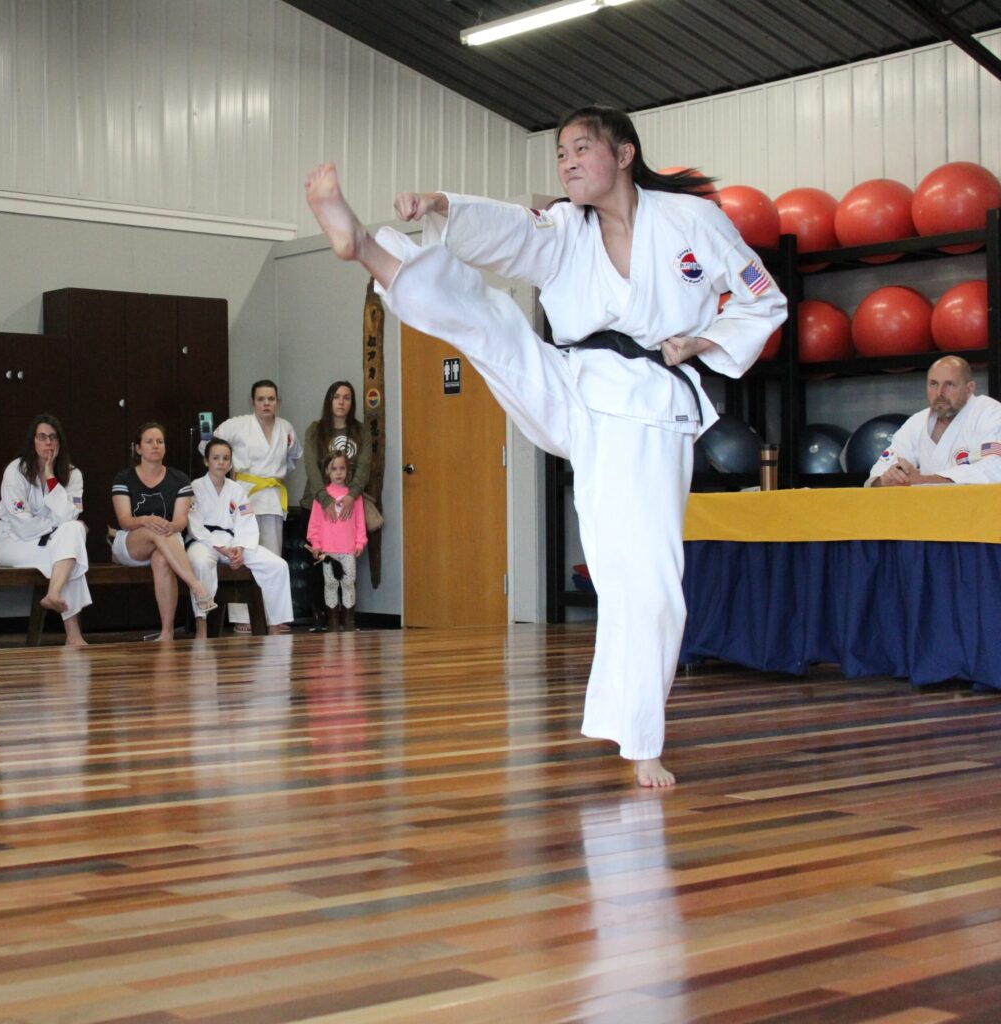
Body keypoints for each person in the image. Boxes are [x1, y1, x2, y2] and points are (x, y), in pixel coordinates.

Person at [304, 104, 786, 787]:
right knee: (490, 325)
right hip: (574, 382)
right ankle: (370, 250)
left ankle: (640, 740)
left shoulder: (693, 221)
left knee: (643, 578)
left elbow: (764, 301)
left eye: (581, 149)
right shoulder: (566, 228)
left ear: (624, 153)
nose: (567, 163)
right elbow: (510, 232)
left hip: (649, 407)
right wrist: (444, 205)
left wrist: (703, 340)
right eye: (560, 153)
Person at [209, 380, 302, 632]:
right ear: (252, 402)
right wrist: (225, 470)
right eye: (261, 399)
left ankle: (274, 617)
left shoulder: (286, 428)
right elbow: (209, 445)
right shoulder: (237, 425)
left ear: (278, 401)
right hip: (244, 496)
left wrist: (274, 475)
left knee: (272, 557)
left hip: (272, 497)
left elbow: (294, 457)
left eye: (271, 399)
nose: (266, 404)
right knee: (242, 553)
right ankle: (243, 617)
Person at [111, 422, 216, 641]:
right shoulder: (124, 478)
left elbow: (180, 521)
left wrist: (171, 526)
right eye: (149, 442)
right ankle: (197, 586)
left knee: (161, 559)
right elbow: (125, 521)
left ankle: (166, 632)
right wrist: (146, 520)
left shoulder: (179, 479)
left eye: (160, 441)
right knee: (153, 530)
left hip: (167, 541)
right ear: (138, 448)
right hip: (132, 542)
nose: (155, 446)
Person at [0, 414, 91, 646]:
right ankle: (74, 635)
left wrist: (50, 477)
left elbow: (70, 515)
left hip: (49, 541)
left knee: (74, 531)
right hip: (12, 542)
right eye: (42, 437)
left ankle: (54, 594)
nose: (48, 442)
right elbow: (23, 526)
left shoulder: (73, 474)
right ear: (33, 441)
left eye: (53, 437)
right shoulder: (15, 470)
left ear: (60, 442)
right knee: (70, 552)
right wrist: (55, 525)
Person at [186, 438, 295, 638]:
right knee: (200, 563)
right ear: (206, 461)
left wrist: (240, 547)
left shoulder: (237, 490)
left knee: (278, 565)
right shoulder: (195, 487)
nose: (221, 462)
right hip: (203, 542)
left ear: (231, 463)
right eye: (216, 458)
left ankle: (275, 624)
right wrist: (219, 547)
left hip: (233, 541)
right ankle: (202, 623)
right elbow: (195, 525)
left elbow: (246, 521)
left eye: (225, 458)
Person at [867, 356, 1001, 487]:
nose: (939, 393)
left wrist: (922, 480)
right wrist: (888, 480)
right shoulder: (917, 422)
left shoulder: (990, 413)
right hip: (928, 502)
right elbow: (879, 473)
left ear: (969, 388)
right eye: (934, 384)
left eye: (949, 385)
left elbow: (994, 468)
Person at [305, 451, 368, 631]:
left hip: (348, 549)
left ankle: (348, 622)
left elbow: (360, 522)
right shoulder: (322, 497)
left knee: (348, 583)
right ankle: (332, 622)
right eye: (334, 469)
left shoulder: (354, 497)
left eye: (342, 468)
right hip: (327, 551)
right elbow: (314, 524)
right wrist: (316, 544)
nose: (338, 472)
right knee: (331, 584)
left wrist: (360, 542)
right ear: (327, 471)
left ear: (348, 471)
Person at [300, 380, 373, 521]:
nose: (341, 402)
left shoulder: (362, 431)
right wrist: (324, 498)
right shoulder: (315, 430)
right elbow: (311, 467)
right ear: (329, 401)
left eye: (347, 398)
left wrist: (352, 495)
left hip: (349, 504)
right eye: (336, 397)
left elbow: (364, 467)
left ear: (352, 403)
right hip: (316, 504)